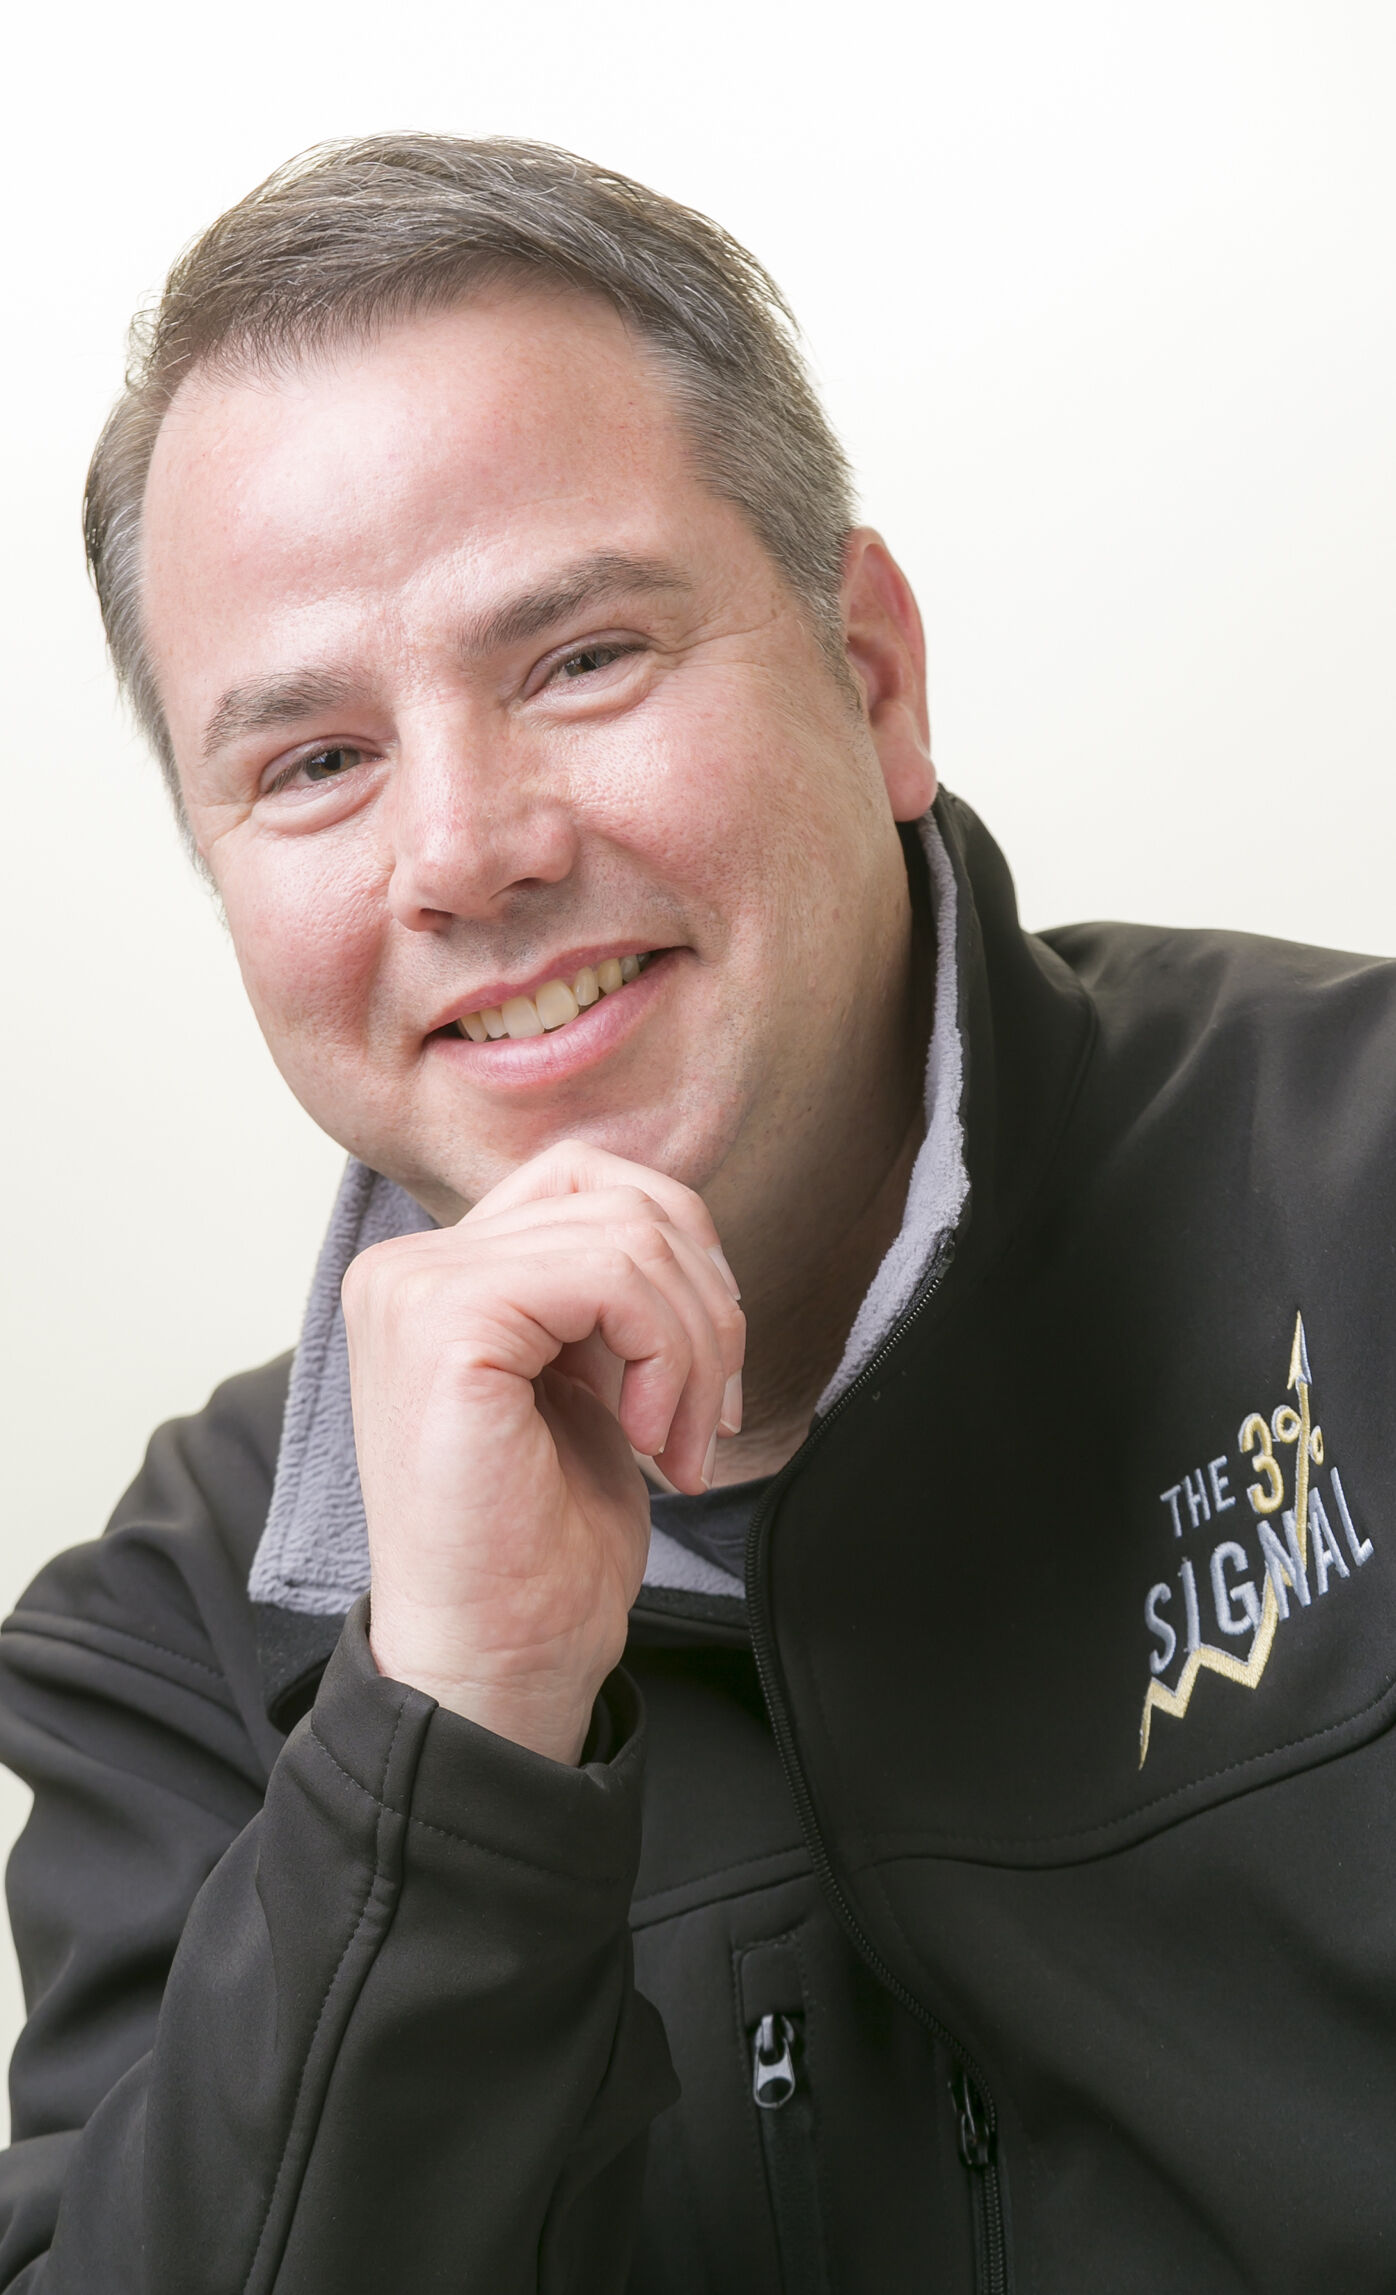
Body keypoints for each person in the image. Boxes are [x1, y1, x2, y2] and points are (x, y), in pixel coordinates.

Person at [1, 131, 1393, 2295]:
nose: (464, 853)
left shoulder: (1364, 1195)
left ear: (871, 675)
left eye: (578, 656)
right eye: (313, 763)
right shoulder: (179, 1641)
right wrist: (445, 1726)